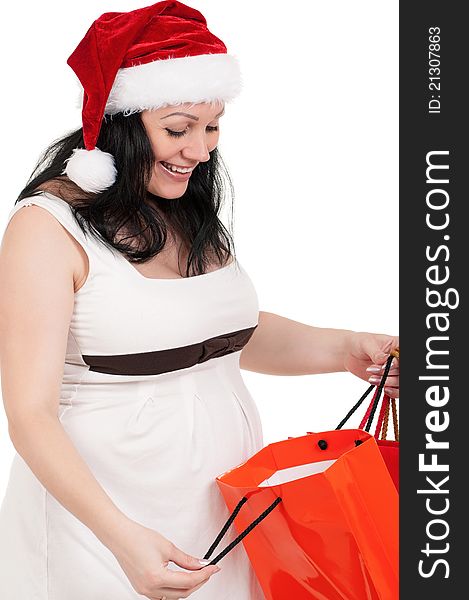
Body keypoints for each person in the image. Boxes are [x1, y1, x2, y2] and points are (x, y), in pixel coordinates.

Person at [0, 1, 399, 599]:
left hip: (225, 509)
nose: (201, 150)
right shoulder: (46, 228)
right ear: (122, 124)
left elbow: (224, 332)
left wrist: (346, 348)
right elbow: (29, 414)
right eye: (179, 129)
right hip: (106, 525)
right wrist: (121, 537)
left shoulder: (185, 209)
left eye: (212, 127)